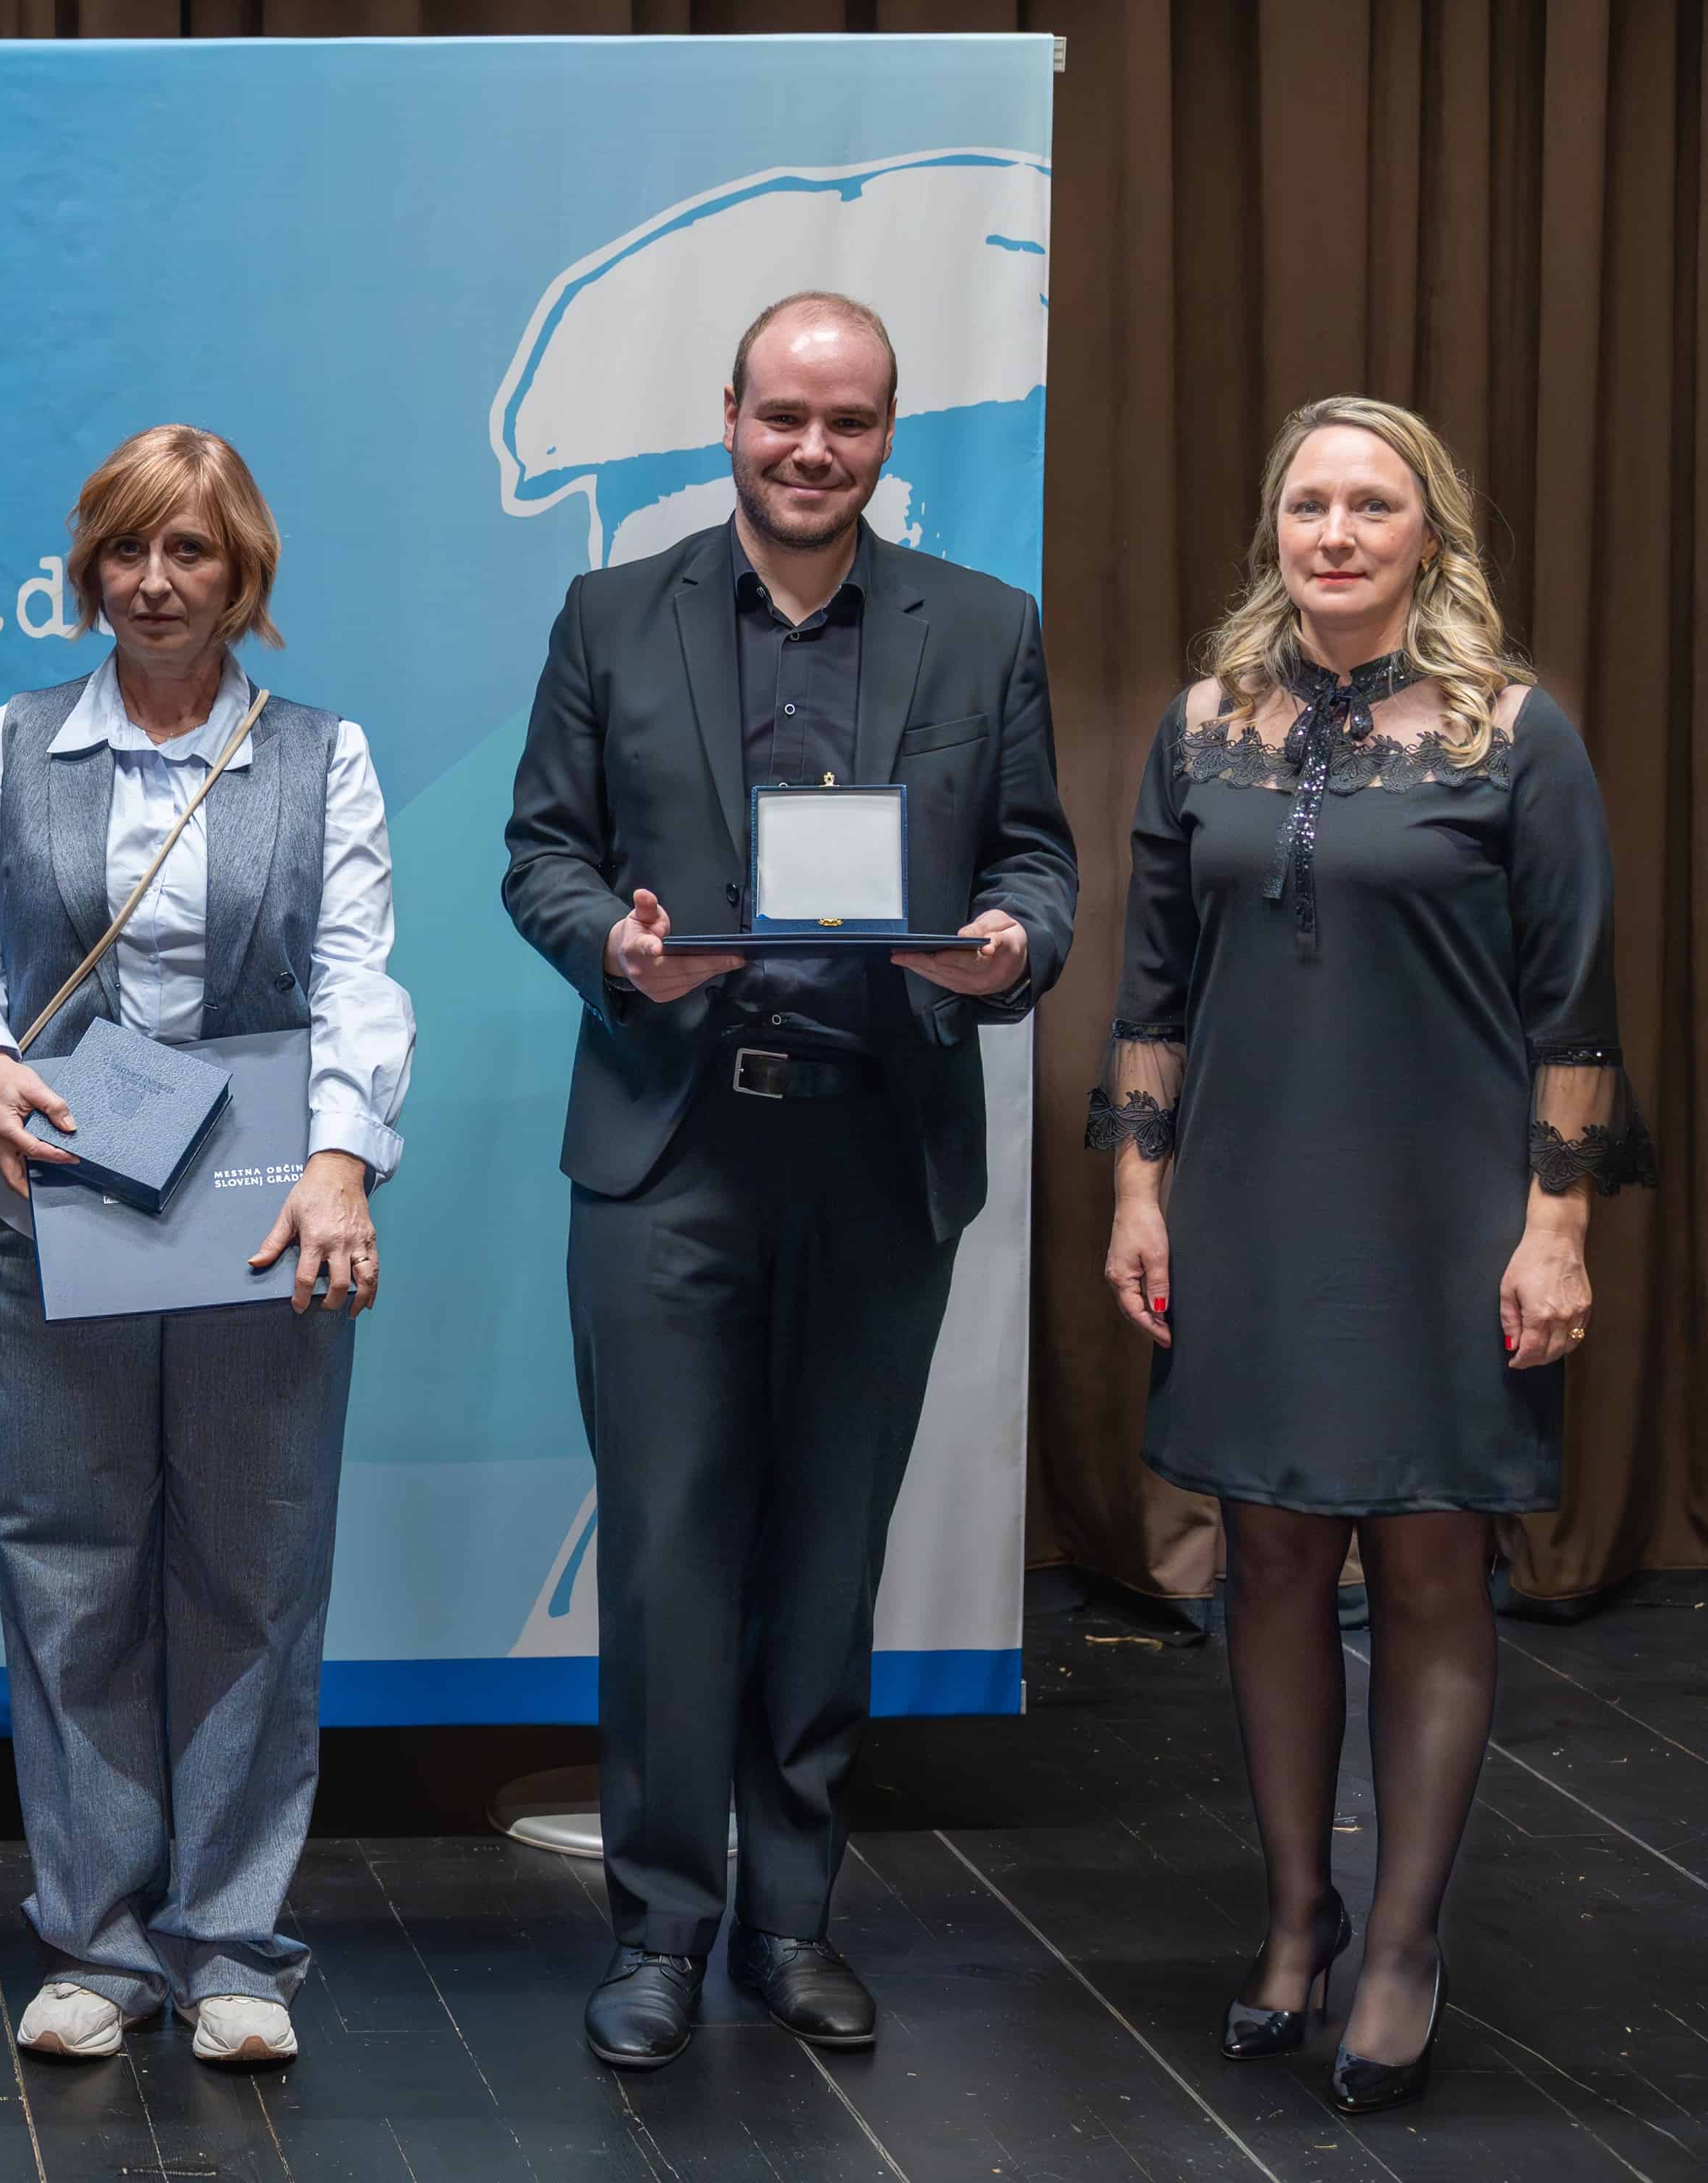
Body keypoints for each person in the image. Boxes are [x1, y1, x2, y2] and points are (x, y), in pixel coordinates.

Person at [501, 291, 1076, 2070]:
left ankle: (793, 1920)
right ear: (727, 416)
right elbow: (541, 851)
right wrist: (616, 943)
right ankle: (659, 1931)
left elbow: (1038, 862)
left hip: (876, 1148)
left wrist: (1010, 950)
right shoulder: (616, 611)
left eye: (848, 422)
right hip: (672, 1147)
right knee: (671, 1556)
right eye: (781, 418)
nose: (811, 449)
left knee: (827, 1559)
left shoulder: (982, 629)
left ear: (889, 434)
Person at [1089, 396, 1650, 2116]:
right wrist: (1135, 1189)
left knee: (1425, 1568)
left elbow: (1574, 1009)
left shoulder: (1511, 733)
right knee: (1265, 1558)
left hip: (1443, 1216)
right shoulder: (1201, 728)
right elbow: (1150, 994)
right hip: (1246, 1201)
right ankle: (1293, 1914)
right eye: (1308, 505)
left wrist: (1556, 1226)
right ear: (1273, 527)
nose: (1334, 534)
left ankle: (1403, 1943)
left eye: (1372, 506)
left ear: (1430, 534)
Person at [0, 426, 412, 2069]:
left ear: (241, 569)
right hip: (55, 1207)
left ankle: (234, 1944)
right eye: (127, 550)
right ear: (88, 569)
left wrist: (343, 1156)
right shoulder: (18, 741)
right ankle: (98, 1941)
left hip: (263, 1214)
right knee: (70, 1566)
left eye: (189, 551)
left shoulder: (321, 754)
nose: (154, 581)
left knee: (254, 1571)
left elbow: (357, 974)